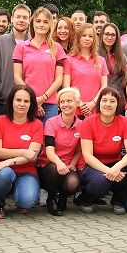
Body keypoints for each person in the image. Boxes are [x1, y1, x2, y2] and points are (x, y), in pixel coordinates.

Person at [76, 87, 127, 214]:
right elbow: (87, 156)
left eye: (112, 101)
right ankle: (85, 200)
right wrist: (110, 171)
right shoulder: (88, 122)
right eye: (104, 100)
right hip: (91, 165)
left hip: (114, 163)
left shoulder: (125, 122)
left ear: (118, 104)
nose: (108, 104)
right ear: (99, 103)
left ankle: (118, 201)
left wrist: (116, 168)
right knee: (101, 181)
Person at [0, 85, 44, 220]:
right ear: (11, 101)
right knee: (5, 174)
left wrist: (9, 161)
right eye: (18, 100)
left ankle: (20, 198)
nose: (22, 104)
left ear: (31, 104)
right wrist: (24, 151)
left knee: (27, 201)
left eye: (26, 101)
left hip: (26, 171)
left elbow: (32, 156)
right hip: (2, 170)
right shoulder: (0, 121)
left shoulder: (37, 124)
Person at [13, 6, 67, 123]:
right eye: (38, 21)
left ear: (50, 25)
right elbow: (17, 77)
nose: (41, 25)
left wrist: (42, 98)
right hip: (27, 102)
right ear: (32, 23)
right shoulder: (21, 47)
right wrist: (33, 100)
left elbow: (59, 79)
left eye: (45, 22)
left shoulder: (57, 48)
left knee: (49, 134)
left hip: (50, 104)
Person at [37, 87, 83, 216]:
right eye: (62, 102)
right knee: (54, 169)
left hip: (68, 165)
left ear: (77, 103)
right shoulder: (51, 122)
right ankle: (51, 198)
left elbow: (79, 151)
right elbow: (49, 151)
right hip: (49, 165)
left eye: (69, 101)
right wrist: (59, 163)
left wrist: (72, 164)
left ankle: (63, 197)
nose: (65, 104)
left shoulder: (82, 125)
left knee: (73, 183)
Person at [0, 4, 30, 117]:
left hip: (29, 101)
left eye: (25, 17)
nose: (21, 20)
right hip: (4, 101)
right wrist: (0, 90)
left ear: (29, 20)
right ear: (12, 19)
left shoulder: (35, 42)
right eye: (18, 17)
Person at [64, 23, 108, 117]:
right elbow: (66, 86)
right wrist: (80, 104)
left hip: (95, 109)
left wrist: (93, 103)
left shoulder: (101, 60)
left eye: (90, 36)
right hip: (75, 109)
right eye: (83, 35)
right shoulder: (69, 59)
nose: (87, 38)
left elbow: (104, 86)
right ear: (78, 38)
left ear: (94, 39)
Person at [99, 22, 127, 97]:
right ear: (102, 35)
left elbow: (123, 81)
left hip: (117, 97)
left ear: (117, 37)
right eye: (107, 34)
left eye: (113, 35)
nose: (109, 37)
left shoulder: (122, 57)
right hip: (99, 97)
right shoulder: (95, 55)